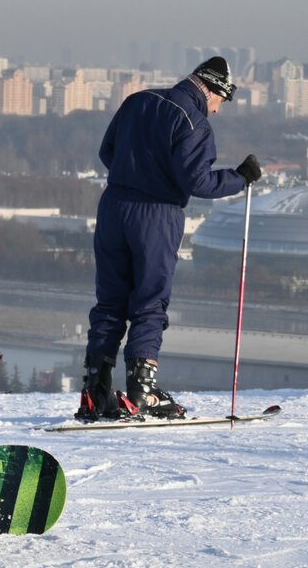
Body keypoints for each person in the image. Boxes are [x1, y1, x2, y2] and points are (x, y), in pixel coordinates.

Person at [77, 56, 262, 421]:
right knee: (149, 301)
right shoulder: (193, 122)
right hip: (156, 215)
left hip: (113, 206)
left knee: (110, 301)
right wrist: (241, 178)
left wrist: (133, 176)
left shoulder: (138, 100)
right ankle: (142, 393)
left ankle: (95, 393)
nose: (218, 110)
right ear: (210, 89)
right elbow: (199, 182)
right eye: (220, 100)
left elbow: (107, 151)